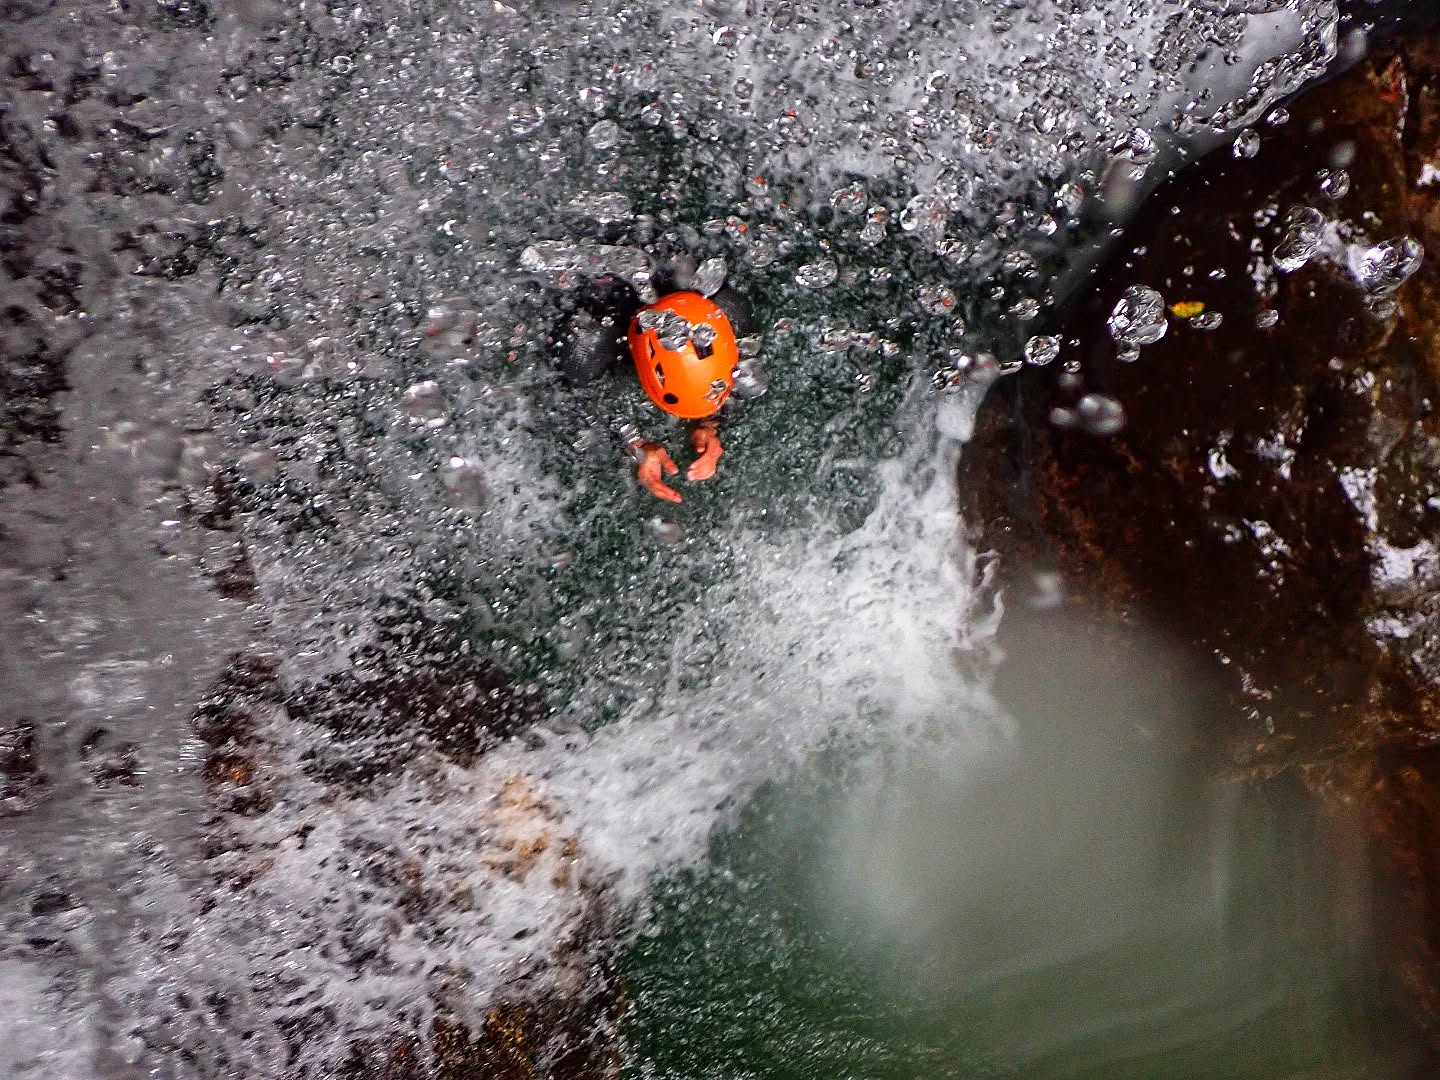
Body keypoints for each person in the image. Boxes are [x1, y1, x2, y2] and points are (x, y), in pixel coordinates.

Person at [549, 252, 761, 503]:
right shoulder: (585, 345)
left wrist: (710, 424)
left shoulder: (729, 311)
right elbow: (582, 399)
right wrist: (634, 442)